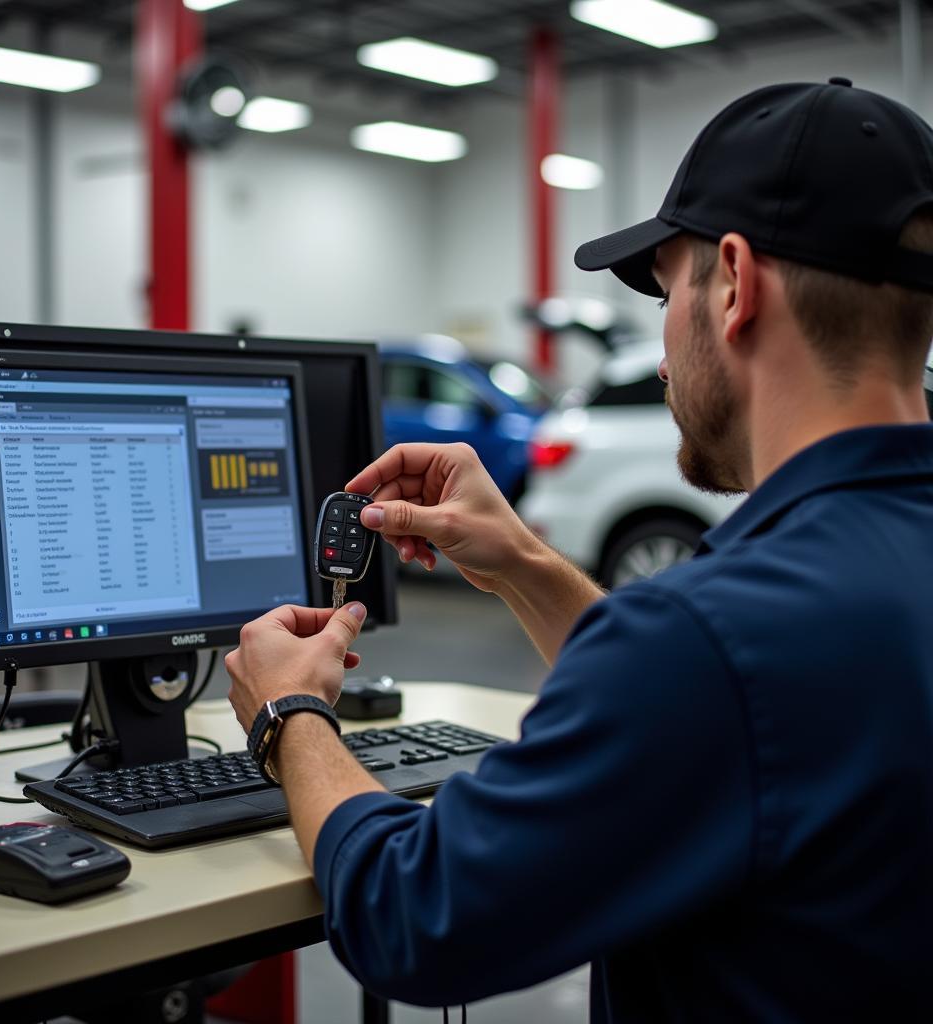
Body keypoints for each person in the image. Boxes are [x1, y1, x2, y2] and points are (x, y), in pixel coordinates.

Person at [225, 78, 933, 1021]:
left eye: (668, 288)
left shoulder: (714, 639)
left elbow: (416, 916)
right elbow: (743, 720)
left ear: (733, 283)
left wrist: (289, 715)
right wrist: (525, 563)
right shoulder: (815, 605)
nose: (668, 344)